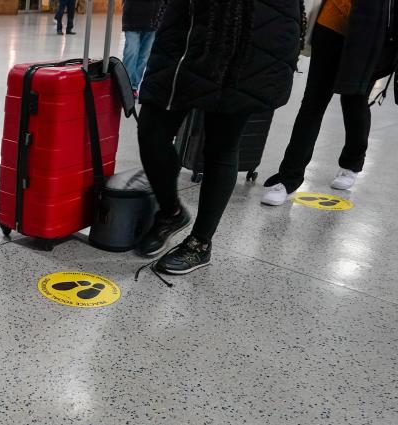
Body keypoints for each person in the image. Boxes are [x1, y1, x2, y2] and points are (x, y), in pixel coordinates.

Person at [134, 0, 304, 276]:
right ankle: (171, 212)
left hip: (251, 36)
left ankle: (200, 243)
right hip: (186, 30)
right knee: (152, 132)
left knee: (222, 145)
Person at [261, 0, 398, 205]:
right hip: (331, 23)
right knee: (313, 102)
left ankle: (352, 162)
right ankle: (289, 177)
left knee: (354, 99)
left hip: (369, 31)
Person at [121, 0, 163, 93]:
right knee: (131, 53)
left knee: (144, 57)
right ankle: (125, 86)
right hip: (132, 19)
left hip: (153, 21)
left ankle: (133, 86)